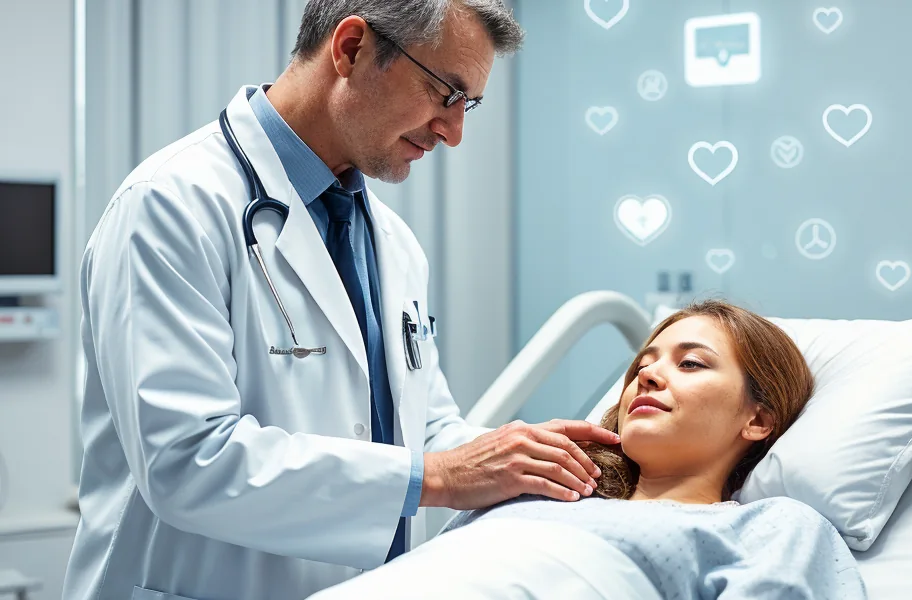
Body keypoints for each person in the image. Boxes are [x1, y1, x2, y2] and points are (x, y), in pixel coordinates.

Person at [62, 2, 618, 599]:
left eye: (468, 105)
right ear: (351, 48)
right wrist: (439, 476)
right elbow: (187, 461)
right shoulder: (170, 207)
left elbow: (422, 429)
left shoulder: (393, 244)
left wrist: (530, 464)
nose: (453, 133)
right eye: (444, 92)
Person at [312, 300, 870, 599]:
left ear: (758, 418)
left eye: (691, 363)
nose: (648, 377)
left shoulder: (775, 527)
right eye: (641, 365)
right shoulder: (546, 491)